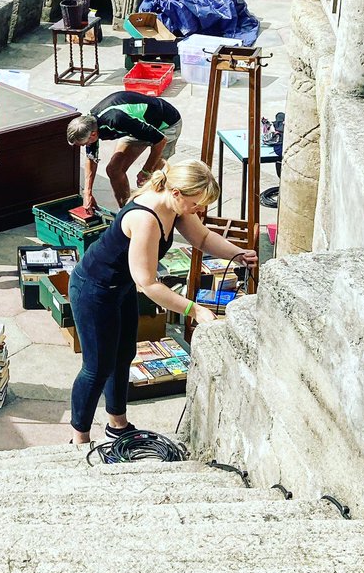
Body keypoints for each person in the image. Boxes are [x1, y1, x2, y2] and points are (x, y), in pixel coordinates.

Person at [68, 158, 258, 445]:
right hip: (94, 290)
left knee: (123, 355)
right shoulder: (146, 219)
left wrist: (237, 253)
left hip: (120, 288)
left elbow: (203, 238)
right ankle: (78, 439)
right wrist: (194, 310)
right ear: (178, 193)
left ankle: (117, 425)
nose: (200, 210)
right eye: (197, 203)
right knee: (96, 368)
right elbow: (148, 283)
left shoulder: (175, 204)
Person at [66, 91, 182, 212]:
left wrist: (146, 170)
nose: (86, 146)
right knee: (114, 169)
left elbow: (161, 141)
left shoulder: (116, 120)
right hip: (136, 127)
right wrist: (87, 192)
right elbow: (91, 157)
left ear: (93, 134)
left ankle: (154, 216)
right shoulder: (90, 124)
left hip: (166, 126)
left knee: (149, 181)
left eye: (85, 144)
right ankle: (126, 211)